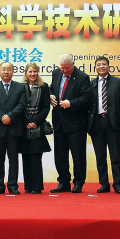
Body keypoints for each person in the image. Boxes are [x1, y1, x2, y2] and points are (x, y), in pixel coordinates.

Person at [49, 54, 93, 193]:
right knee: (60, 155)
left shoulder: (82, 77)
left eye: (67, 68)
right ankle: (63, 182)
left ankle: (78, 182)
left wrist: (71, 103)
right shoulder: (56, 73)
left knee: (78, 155)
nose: (64, 71)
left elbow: (87, 98)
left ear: (73, 64)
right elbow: (51, 88)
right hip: (59, 122)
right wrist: (50, 95)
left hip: (76, 124)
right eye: (62, 68)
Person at [0, 62, 26, 194]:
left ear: (13, 72)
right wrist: (2, 117)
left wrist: (10, 116)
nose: (6, 72)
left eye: (9, 69)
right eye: (3, 69)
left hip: (14, 128)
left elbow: (22, 104)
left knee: (13, 158)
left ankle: (13, 185)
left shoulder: (20, 87)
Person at [88, 56, 120, 194]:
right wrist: (89, 126)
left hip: (112, 122)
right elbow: (88, 107)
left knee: (115, 155)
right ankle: (104, 183)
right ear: (95, 67)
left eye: (104, 64)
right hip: (97, 123)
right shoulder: (91, 84)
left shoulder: (118, 82)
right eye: (98, 64)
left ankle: (117, 184)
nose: (101, 66)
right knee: (100, 156)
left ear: (108, 66)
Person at [19, 62, 51, 194]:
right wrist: (26, 121)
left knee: (36, 158)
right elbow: (19, 106)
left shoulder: (44, 87)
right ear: (26, 73)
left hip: (38, 128)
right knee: (26, 157)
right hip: (24, 127)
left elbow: (46, 107)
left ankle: (37, 187)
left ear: (38, 72)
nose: (32, 74)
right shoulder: (20, 87)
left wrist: (36, 122)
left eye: (35, 71)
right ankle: (28, 186)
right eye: (30, 72)